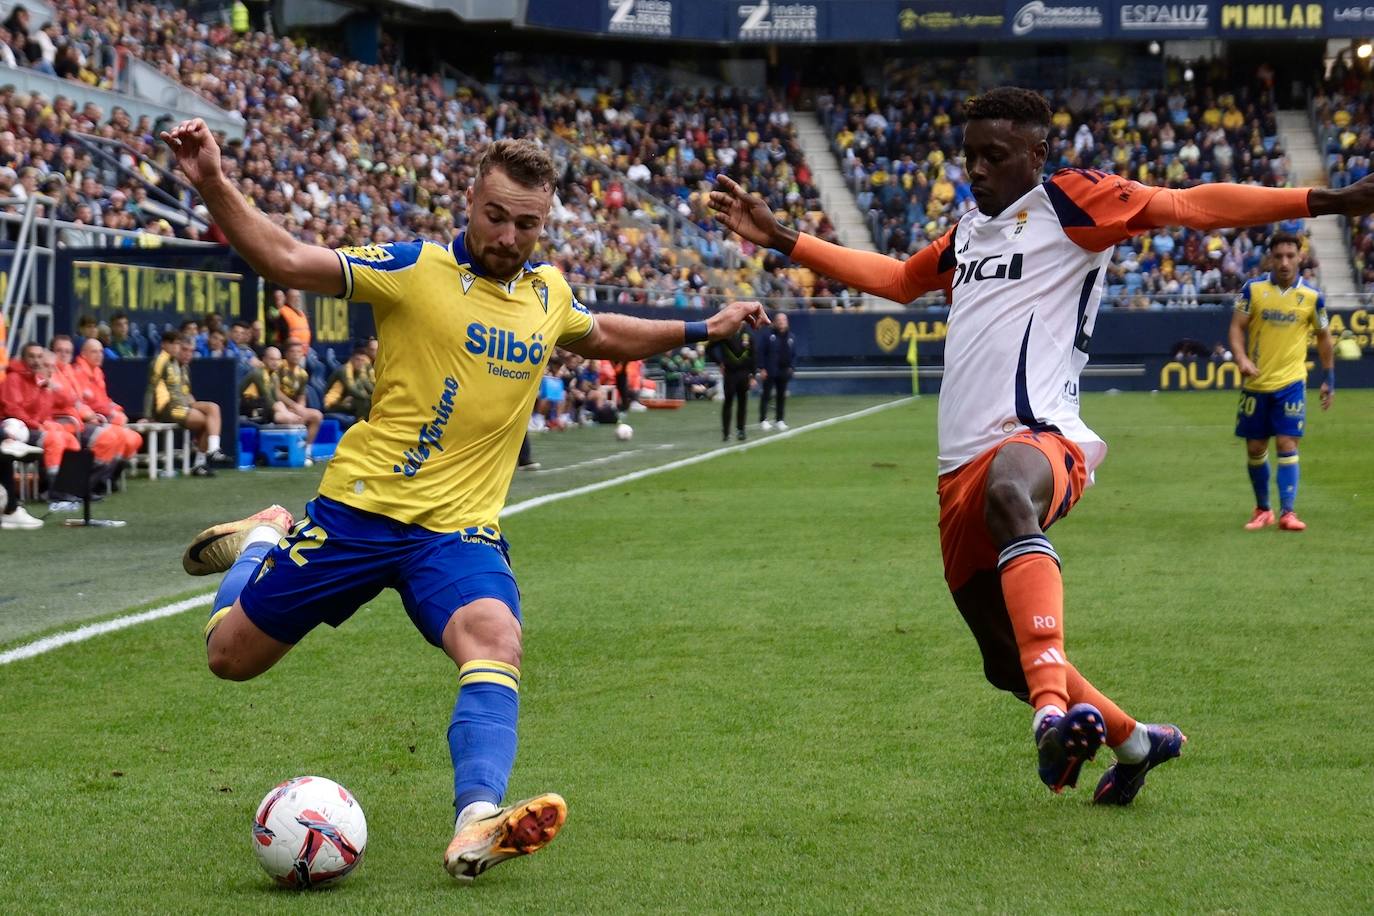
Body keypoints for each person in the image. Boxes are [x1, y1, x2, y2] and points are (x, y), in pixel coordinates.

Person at [711, 86, 1374, 804]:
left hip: (1040, 439)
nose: (978, 170)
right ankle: (1137, 743)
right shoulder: (968, 231)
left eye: (995, 156)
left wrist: (1327, 201)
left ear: (1038, 154)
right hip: (955, 469)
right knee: (1004, 661)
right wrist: (783, 238)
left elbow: (1191, 205)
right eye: (970, 158)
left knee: (1009, 495)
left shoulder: (1074, 202)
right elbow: (900, 281)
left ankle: (1051, 725)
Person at [162, 121, 765, 881]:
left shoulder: (548, 294)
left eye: (528, 223)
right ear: (469, 200)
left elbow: (602, 333)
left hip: (456, 533)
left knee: (495, 640)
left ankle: (477, 819)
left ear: (545, 222)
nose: (510, 235)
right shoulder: (415, 268)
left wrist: (703, 327)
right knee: (229, 660)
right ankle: (263, 538)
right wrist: (214, 181)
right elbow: (285, 258)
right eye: (497, 215)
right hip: (358, 512)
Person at [1227, 231, 1334, 532]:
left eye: (1290, 256)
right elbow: (1236, 328)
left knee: (1287, 443)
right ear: (1270, 258)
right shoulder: (1253, 290)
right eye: (1279, 256)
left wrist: (1329, 378)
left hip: (1291, 383)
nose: (1285, 262)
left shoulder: (1312, 298)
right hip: (1257, 384)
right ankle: (1263, 509)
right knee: (1255, 448)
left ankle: (1288, 512)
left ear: (1300, 257)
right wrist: (1241, 358)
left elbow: (1325, 339)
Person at [145, 330, 225, 476]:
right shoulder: (161, 361)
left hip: (182, 406)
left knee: (213, 409)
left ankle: (212, 451)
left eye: (191, 351)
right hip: (169, 408)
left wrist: (197, 406)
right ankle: (201, 462)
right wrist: (147, 415)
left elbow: (186, 393)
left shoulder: (184, 367)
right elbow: (151, 388)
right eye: (184, 350)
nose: (188, 354)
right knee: (209, 421)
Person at [274, 340, 322, 464]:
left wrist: (300, 407)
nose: (296, 355)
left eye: (299, 352)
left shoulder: (302, 374)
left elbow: (301, 396)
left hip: (292, 408)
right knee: (294, 418)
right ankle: (291, 451)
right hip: (277, 407)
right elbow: (276, 393)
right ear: (287, 354)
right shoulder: (279, 367)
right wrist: (294, 406)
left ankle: (307, 451)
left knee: (317, 416)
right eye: (292, 352)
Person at [709, 325, 754, 441]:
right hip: (730, 373)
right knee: (728, 402)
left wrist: (753, 374)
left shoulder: (748, 334)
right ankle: (726, 433)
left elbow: (754, 353)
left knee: (742, 403)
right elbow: (709, 348)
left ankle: (741, 430)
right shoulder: (725, 332)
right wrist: (719, 363)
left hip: (744, 373)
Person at [756, 310, 795, 431]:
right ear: (774, 322)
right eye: (779, 320)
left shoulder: (791, 337)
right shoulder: (768, 336)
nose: (782, 323)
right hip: (770, 370)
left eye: (784, 320)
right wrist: (762, 368)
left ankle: (780, 419)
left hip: (784, 371)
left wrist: (792, 367)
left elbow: (794, 354)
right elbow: (761, 352)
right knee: (766, 395)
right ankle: (763, 419)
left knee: (781, 396)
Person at [322, 345, 375, 425]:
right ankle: (360, 426)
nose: (360, 363)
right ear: (351, 359)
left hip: (345, 401)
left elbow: (368, 385)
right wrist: (370, 397)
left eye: (362, 360)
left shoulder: (360, 371)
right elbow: (352, 390)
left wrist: (375, 395)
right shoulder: (344, 370)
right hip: (331, 404)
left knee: (366, 401)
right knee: (362, 401)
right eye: (357, 359)